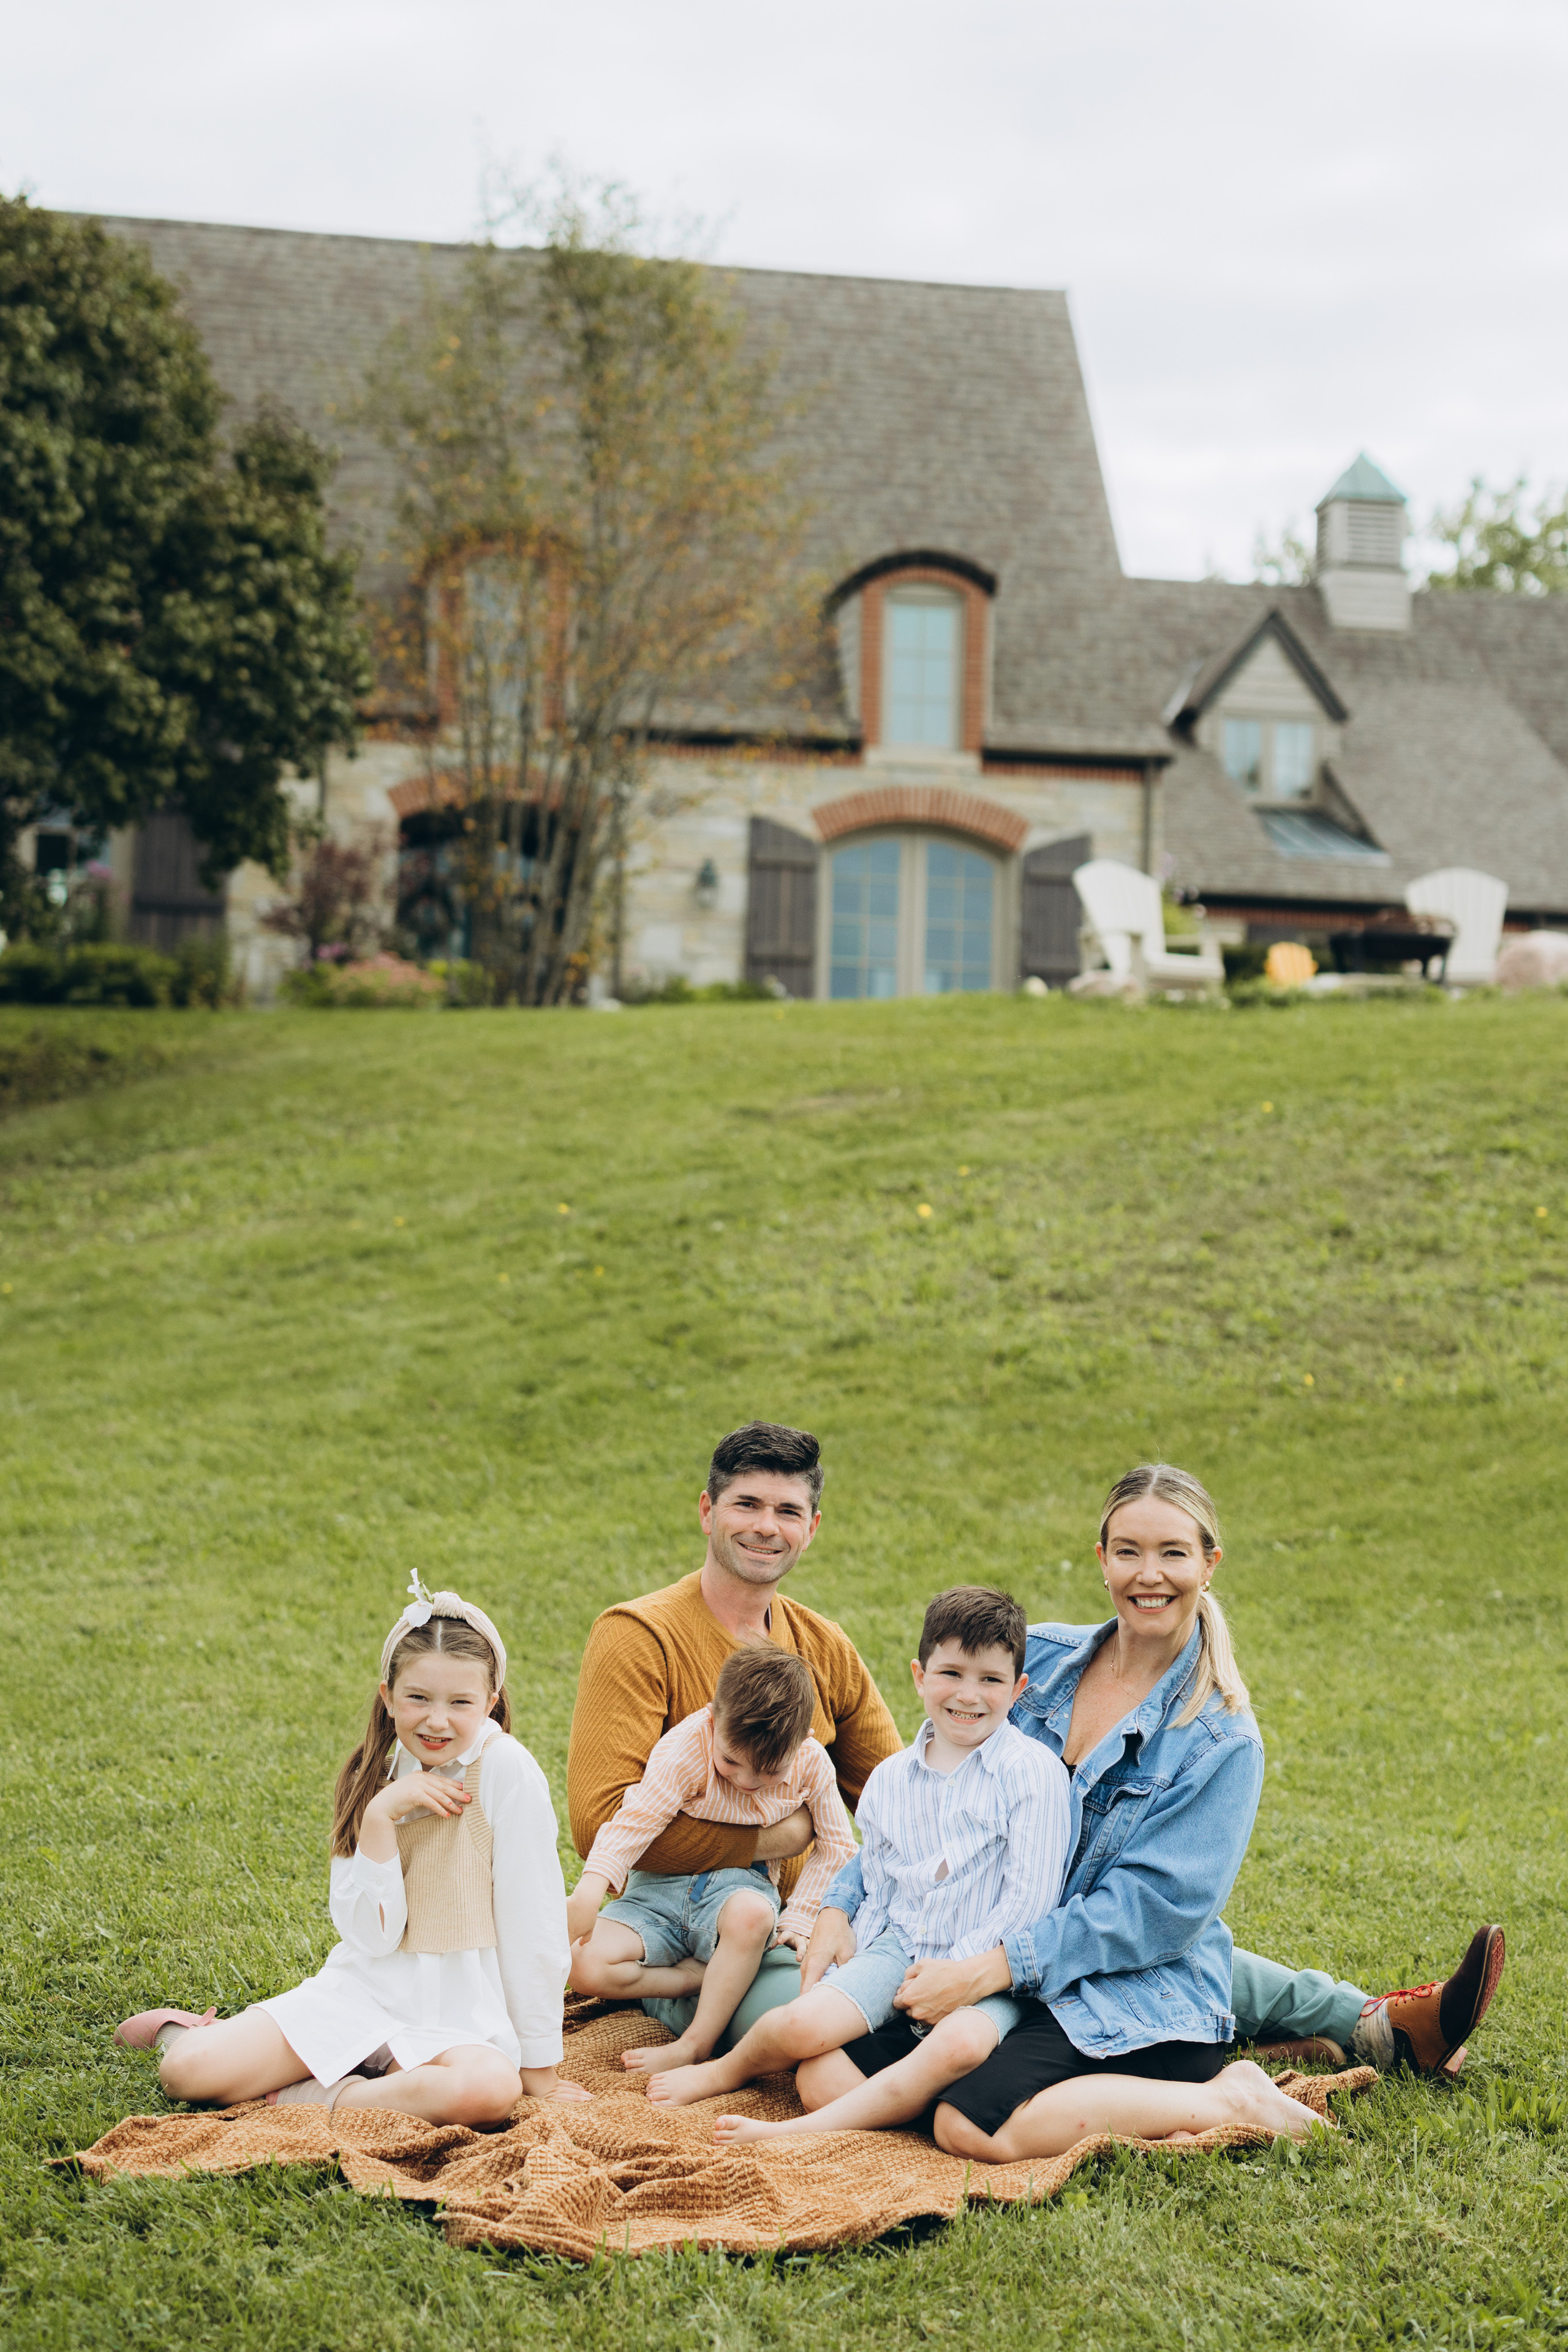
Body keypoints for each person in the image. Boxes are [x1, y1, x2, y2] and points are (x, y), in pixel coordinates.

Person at [569, 1421, 1504, 2073]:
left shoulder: (821, 1645)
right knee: (797, 2029)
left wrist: (843, 1882)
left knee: (1115, 1928)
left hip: (827, 1910)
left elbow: (901, 1781)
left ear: (813, 1527)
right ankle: (1251, 2039)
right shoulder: (638, 1637)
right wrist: (778, 1847)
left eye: (786, 1511)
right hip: (714, 1922)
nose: (765, 1527)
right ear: (706, 1510)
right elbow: (604, 1824)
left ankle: (1369, 2023)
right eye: (746, 1506)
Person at [796, 1468, 1497, 2160]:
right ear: (1101, 1560)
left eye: (1172, 1553)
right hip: (977, 1949)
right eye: (1128, 1551)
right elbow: (921, 1803)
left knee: (968, 2125)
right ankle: (1310, 2036)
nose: (1148, 1574)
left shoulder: (1220, 1740)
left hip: (1114, 1984)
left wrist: (992, 1969)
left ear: (1208, 1564)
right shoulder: (1029, 1658)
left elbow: (1151, 1914)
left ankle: (1228, 2095)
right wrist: (842, 1902)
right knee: (821, 2077)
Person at [114, 1576, 585, 2122]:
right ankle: (190, 2032)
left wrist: (540, 2070)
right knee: (185, 2074)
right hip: (364, 1995)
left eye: (461, 1702)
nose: (437, 1720)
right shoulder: (371, 1775)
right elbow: (369, 1936)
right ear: (388, 1697)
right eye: (418, 1698)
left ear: (491, 1703)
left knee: (488, 2089)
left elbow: (536, 1923)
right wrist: (381, 1819)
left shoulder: (506, 1769)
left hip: (461, 2018)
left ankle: (308, 2094)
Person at [646, 1585, 1072, 2115]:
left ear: (1018, 1689)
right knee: (805, 2029)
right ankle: (720, 2069)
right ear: (920, 1676)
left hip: (987, 1967)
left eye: (991, 1680)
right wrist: (852, 1962)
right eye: (951, 1674)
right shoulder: (892, 1778)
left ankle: (908, 2104)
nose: (969, 1695)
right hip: (899, 1945)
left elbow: (1030, 1897)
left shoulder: (1032, 1772)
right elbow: (880, 1874)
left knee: (955, 2045)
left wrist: (958, 1972)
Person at [566, 1645, 856, 2074]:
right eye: (731, 1762)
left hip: (738, 1892)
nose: (748, 1781)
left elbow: (839, 1846)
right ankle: (694, 1978)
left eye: (771, 1771)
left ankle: (694, 2045)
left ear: (803, 1741)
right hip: (658, 1895)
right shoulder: (687, 1746)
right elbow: (638, 1819)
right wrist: (591, 1890)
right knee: (581, 1961)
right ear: (713, 1718)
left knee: (753, 1914)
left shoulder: (812, 1762)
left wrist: (800, 1918)